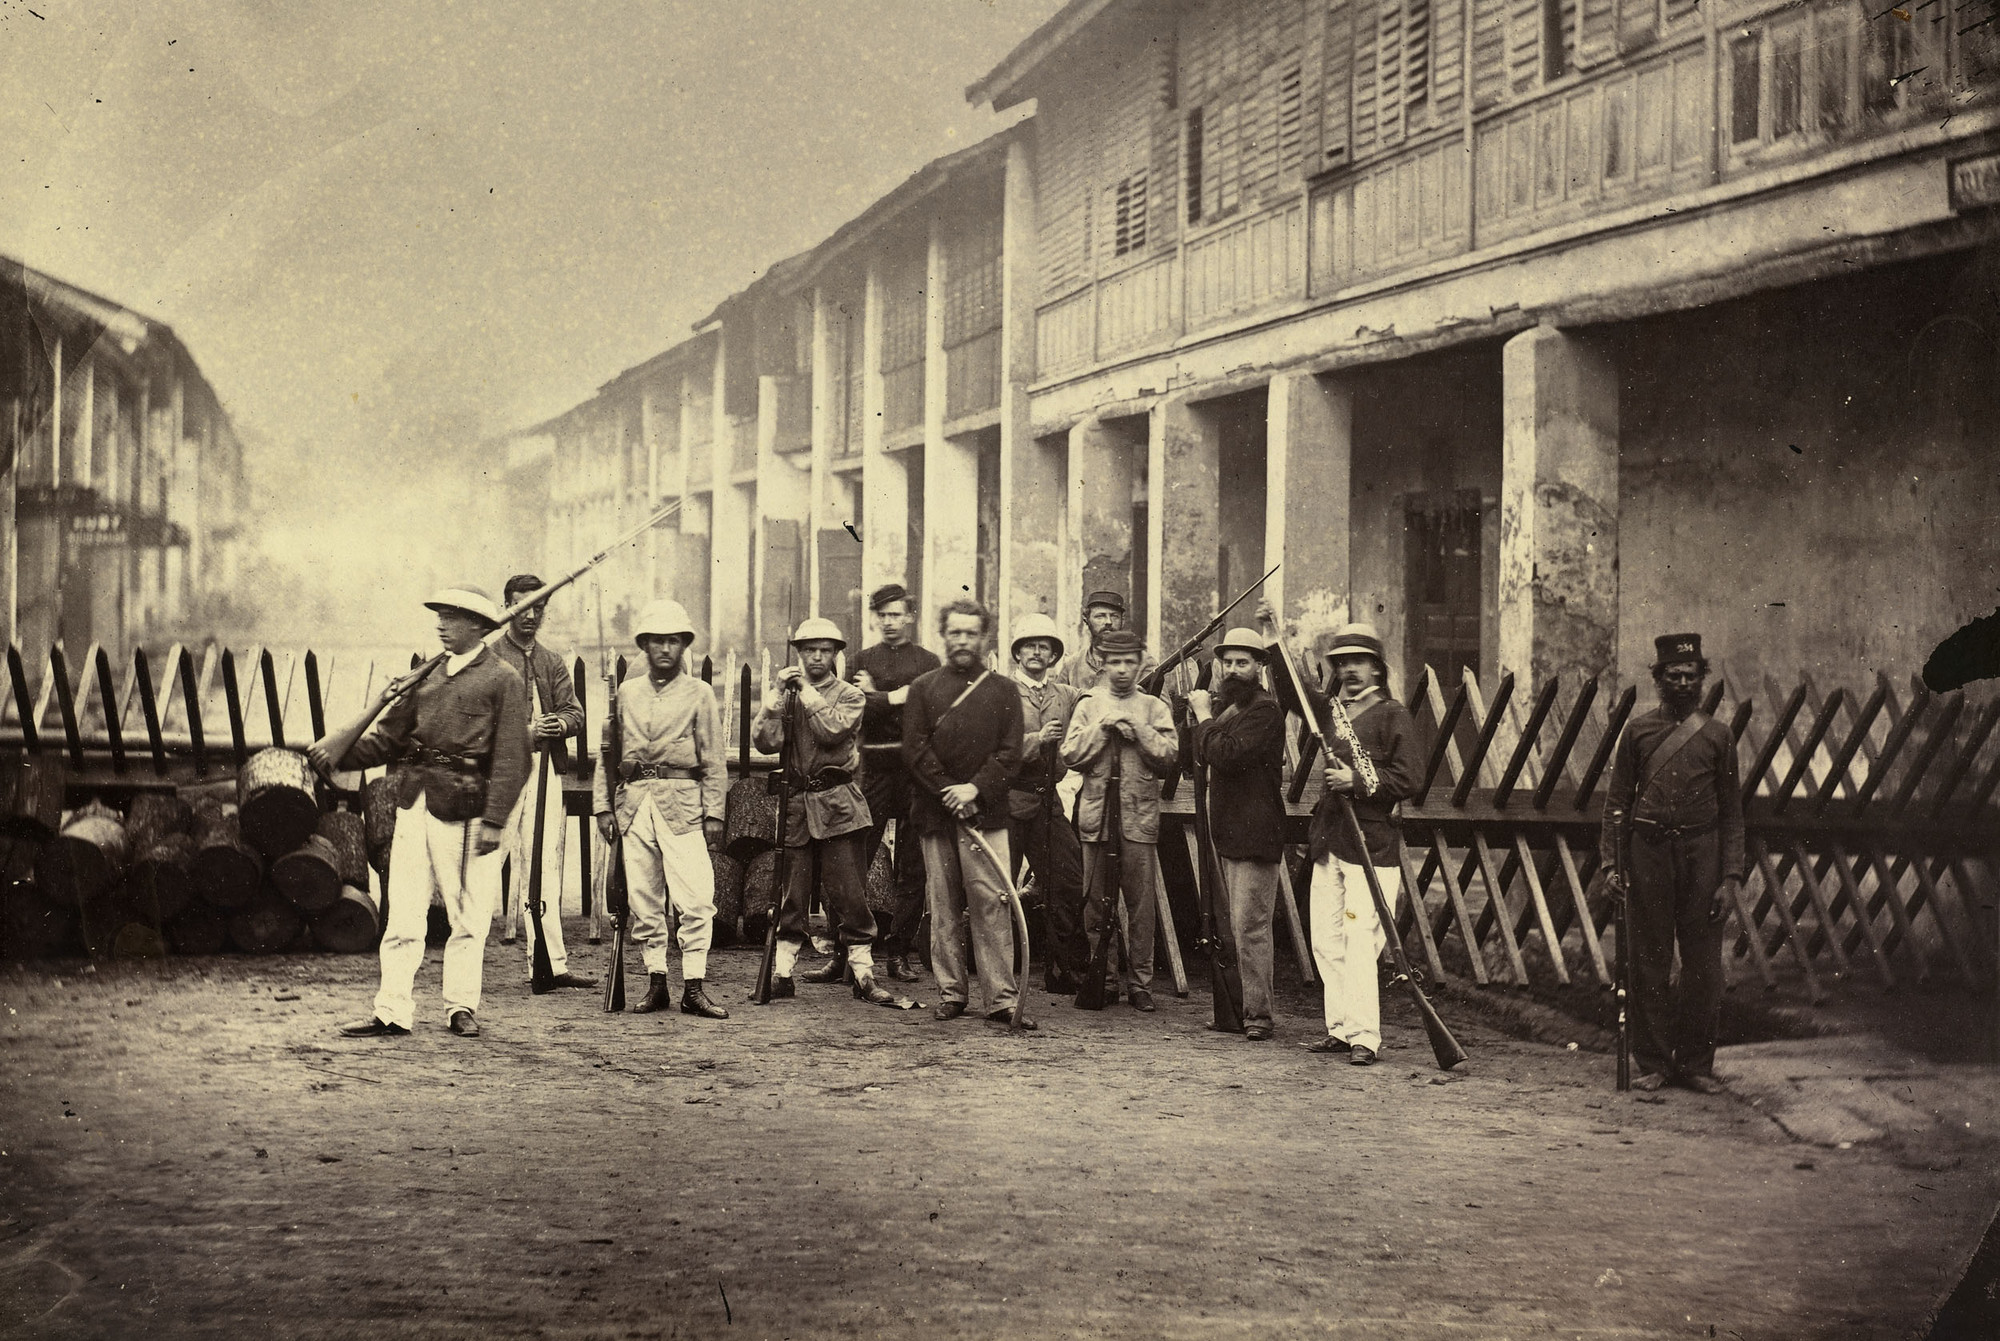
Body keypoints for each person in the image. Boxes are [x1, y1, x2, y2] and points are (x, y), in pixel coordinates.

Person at [328, 586, 530, 1039]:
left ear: (479, 626)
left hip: (467, 806)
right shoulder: (426, 675)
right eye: (440, 615)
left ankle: (460, 1006)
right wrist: (338, 755)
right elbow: (389, 740)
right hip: (414, 799)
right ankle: (392, 1011)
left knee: (468, 914)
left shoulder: (503, 679)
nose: (441, 623)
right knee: (402, 911)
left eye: (452, 616)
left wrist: (496, 820)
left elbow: (515, 758)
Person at [1261, 605, 1423, 1066]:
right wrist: (1271, 635)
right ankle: (1340, 1028)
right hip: (1330, 838)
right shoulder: (1331, 710)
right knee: (1326, 941)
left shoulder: (1394, 714)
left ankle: (1365, 1037)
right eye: (1341, 662)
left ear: (1377, 667)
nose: (1348, 669)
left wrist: (1358, 782)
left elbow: (1410, 780)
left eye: (1358, 661)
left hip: (1371, 844)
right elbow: (1293, 692)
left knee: (1360, 940)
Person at [1599, 633, 1746, 1094]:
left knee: (1703, 965)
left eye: (1690, 675)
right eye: (1673, 675)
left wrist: (1730, 876)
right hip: (1649, 856)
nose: (1682, 683)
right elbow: (1617, 802)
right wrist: (1611, 864)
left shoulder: (1718, 736)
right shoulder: (1638, 731)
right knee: (1649, 961)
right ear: (1659, 679)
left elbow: (1732, 812)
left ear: (1701, 679)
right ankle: (1654, 1063)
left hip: (1702, 855)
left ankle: (1697, 1066)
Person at [591, 599, 730, 1020]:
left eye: (673, 641)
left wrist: (714, 813)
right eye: (657, 641)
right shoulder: (626, 693)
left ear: (684, 645)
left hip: (682, 803)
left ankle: (694, 986)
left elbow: (714, 759)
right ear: (645, 646)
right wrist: (603, 807)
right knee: (644, 901)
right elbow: (607, 756)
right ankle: (657, 983)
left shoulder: (699, 693)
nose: (665, 649)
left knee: (696, 898)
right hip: (634, 805)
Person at [752, 617, 900, 1006]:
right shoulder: (788, 695)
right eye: (808, 650)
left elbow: (833, 731)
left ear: (836, 655)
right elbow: (766, 744)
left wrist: (806, 695)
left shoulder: (850, 696)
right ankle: (782, 972)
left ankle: (863, 974)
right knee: (792, 895)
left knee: (850, 893)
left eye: (824, 650)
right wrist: (770, 706)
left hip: (838, 805)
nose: (816, 657)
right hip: (798, 807)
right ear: (798, 654)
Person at [903, 598, 1033, 1028]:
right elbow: (915, 750)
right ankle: (952, 992)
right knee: (942, 907)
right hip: (936, 814)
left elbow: (1011, 753)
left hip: (987, 814)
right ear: (944, 636)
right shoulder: (924, 689)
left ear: (984, 638)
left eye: (970, 633)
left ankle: (1001, 998)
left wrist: (975, 788)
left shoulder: (1003, 690)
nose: (962, 640)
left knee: (992, 904)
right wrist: (948, 791)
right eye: (955, 632)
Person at [480, 573, 596, 993]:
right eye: (521, 606)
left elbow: (575, 713)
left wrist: (558, 724)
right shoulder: (488, 658)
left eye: (538, 607)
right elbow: (479, 724)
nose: (530, 615)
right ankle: (467, 968)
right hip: (501, 772)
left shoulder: (552, 662)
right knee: (486, 863)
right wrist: (526, 731)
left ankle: (549, 966)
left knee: (544, 865)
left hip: (546, 768)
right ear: (506, 607)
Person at [1060, 628, 1177, 1012]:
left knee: (1141, 906)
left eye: (1130, 662)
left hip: (1139, 818)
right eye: (1115, 662)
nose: (1123, 670)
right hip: (1097, 819)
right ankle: (1104, 978)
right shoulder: (1089, 703)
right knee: (1095, 905)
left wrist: (1138, 730)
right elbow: (1070, 755)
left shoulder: (1154, 708)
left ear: (1142, 663)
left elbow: (1168, 758)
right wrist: (1103, 727)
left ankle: (1140, 984)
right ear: (1103, 664)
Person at [1185, 627, 1286, 1041]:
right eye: (1227, 662)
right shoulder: (1228, 710)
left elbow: (1226, 756)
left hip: (1255, 834)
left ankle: (1259, 1015)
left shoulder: (1264, 712)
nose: (1232, 669)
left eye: (1243, 662)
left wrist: (1203, 717)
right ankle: (1238, 1010)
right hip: (1225, 831)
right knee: (1231, 927)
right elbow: (1195, 755)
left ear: (1260, 667)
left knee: (1250, 927)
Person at [849, 583, 942, 983]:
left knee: (912, 866)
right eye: (882, 615)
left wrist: (879, 696)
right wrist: (897, 698)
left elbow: (930, 710)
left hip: (915, 773)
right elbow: (855, 708)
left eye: (896, 614)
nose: (889, 622)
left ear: (910, 616)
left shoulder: (929, 661)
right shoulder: (862, 658)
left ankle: (898, 953)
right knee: (855, 860)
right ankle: (847, 953)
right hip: (874, 770)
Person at [1006, 613, 1087, 994]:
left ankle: (1062, 969)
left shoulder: (1066, 695)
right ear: (1017, 653)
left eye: (1045, 647)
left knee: (1067, 880)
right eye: (1030, 646)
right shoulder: (1001, 692)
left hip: (1047, 801)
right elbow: (993, 751)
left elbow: (1094, 706)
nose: (1037, 653)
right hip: (1005, 799)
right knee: (997, 886)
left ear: (1054, 656)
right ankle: (999, 971)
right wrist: (1036, 740)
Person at [1055, 589, 1157, 693]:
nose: (1108, 622)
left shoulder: (1144, 662)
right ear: (1086, 619)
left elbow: (1161, 706)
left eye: (1114, 616)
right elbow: (1058, 703)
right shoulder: (1072, 665)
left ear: (1123, 620)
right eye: (1100, 616)